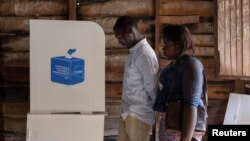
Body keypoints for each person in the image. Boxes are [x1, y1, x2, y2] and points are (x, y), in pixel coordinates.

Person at [153, 25, 208, 141]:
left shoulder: (191, 65)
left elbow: (191, 104)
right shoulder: (177, 63)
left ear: (178, 46)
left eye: (166, 45)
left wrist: (185, 139)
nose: (163, 48)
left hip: (181, 133)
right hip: (171, 128)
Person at [113, 16, 159, 141]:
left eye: (120, 37)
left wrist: (156, 112)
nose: (119, 41)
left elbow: (153, 89)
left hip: (139, 115)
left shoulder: (144, 54)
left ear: (130, 31)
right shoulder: (135, 52)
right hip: (127, 113)